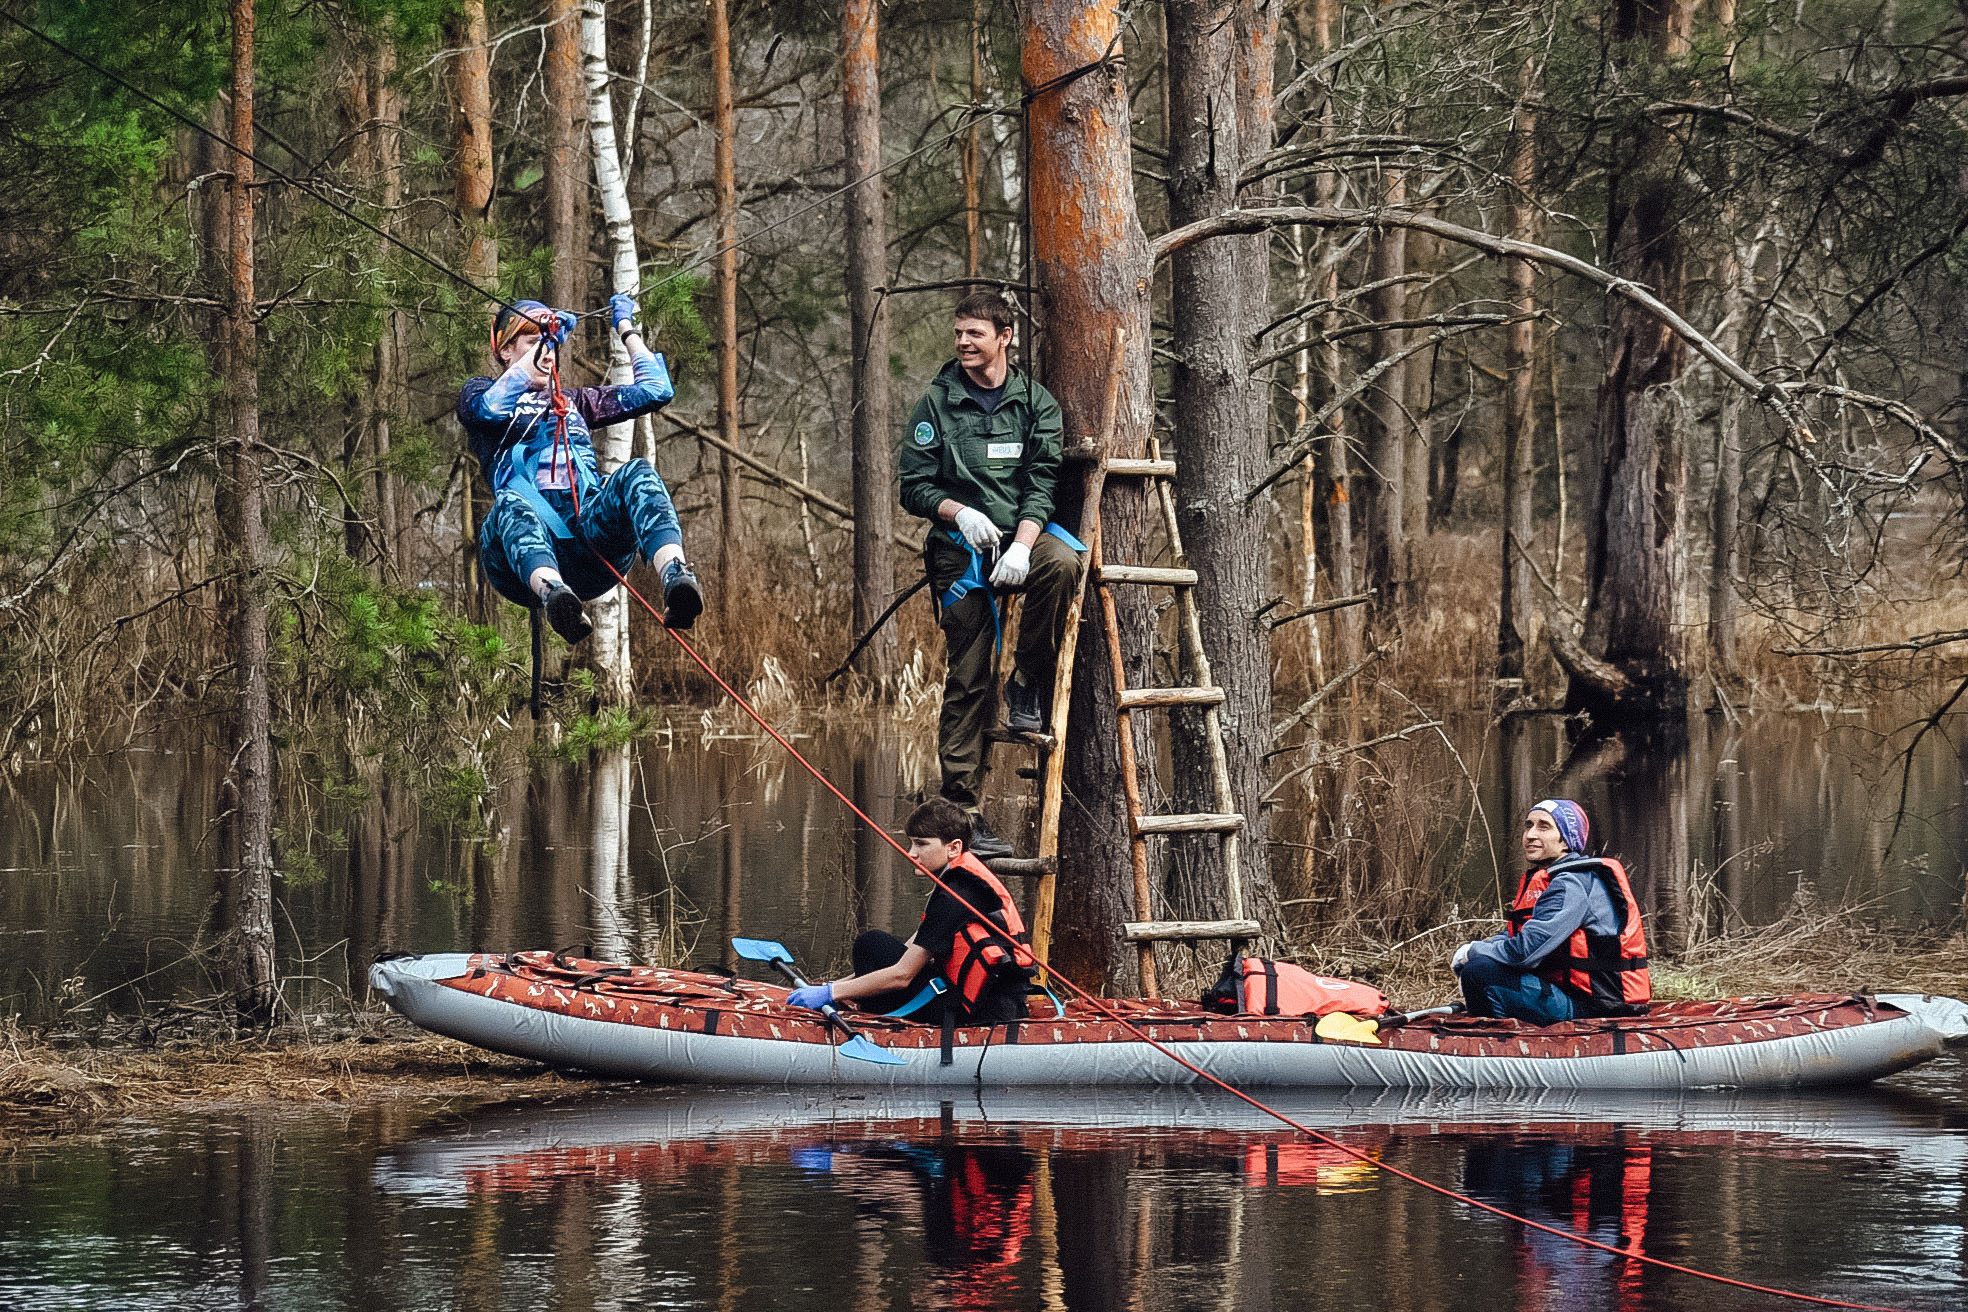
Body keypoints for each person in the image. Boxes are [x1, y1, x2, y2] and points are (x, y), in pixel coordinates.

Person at [897, 292, 1084, 858]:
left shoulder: (1036, 404)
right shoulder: (937, 403)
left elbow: (1043, 483)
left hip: (1022, 535)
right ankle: (966, 816)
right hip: (960, 552)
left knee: (1063, 561)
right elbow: (913, 487)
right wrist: (961, 512)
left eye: (974, 333)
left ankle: (1027, 682)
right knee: (969, 675)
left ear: (1005, 337)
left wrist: (1024, 546)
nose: (962, 342)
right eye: (958, 333)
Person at [457, 293, 703, 643]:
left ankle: (676, 576)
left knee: (638, 473)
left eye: (551, 346)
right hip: (520, 554)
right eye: (533, 342)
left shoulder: (575, 403)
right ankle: (554, 595)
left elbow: (657, 390)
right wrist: (550, 337)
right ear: (506, 350)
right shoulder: (479, 393)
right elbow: (490, 409)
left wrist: (626, 328)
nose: (547, 353)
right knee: (511, 505)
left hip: (591, 543)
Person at [785, 797, 1034, 1025]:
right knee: (876, 948)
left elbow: (902, 975)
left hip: (982, 1012)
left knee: (870, 944)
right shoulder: (959, 881)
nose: (911, 853)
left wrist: (830, 993)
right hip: (980, 999)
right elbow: (910, 951)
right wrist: (835, 986)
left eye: (921, 844)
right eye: (911, 843)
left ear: (954, 848)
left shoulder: (956, 896)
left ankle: (867, 1019)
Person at [1451, 799, 1652, 1024]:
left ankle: (1496, 1042)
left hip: (1594, 1006)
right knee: (1481, 965)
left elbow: (1523, 953)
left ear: (1566, 840)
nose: (1530, 835)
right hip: (1570, 994)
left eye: (1543, 827)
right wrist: (1479, 949)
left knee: (1480, 972)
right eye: (1528, 825)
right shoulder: (1551, 878)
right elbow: (1516, 935)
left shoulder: (1572, 884)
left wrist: (1472, 953)